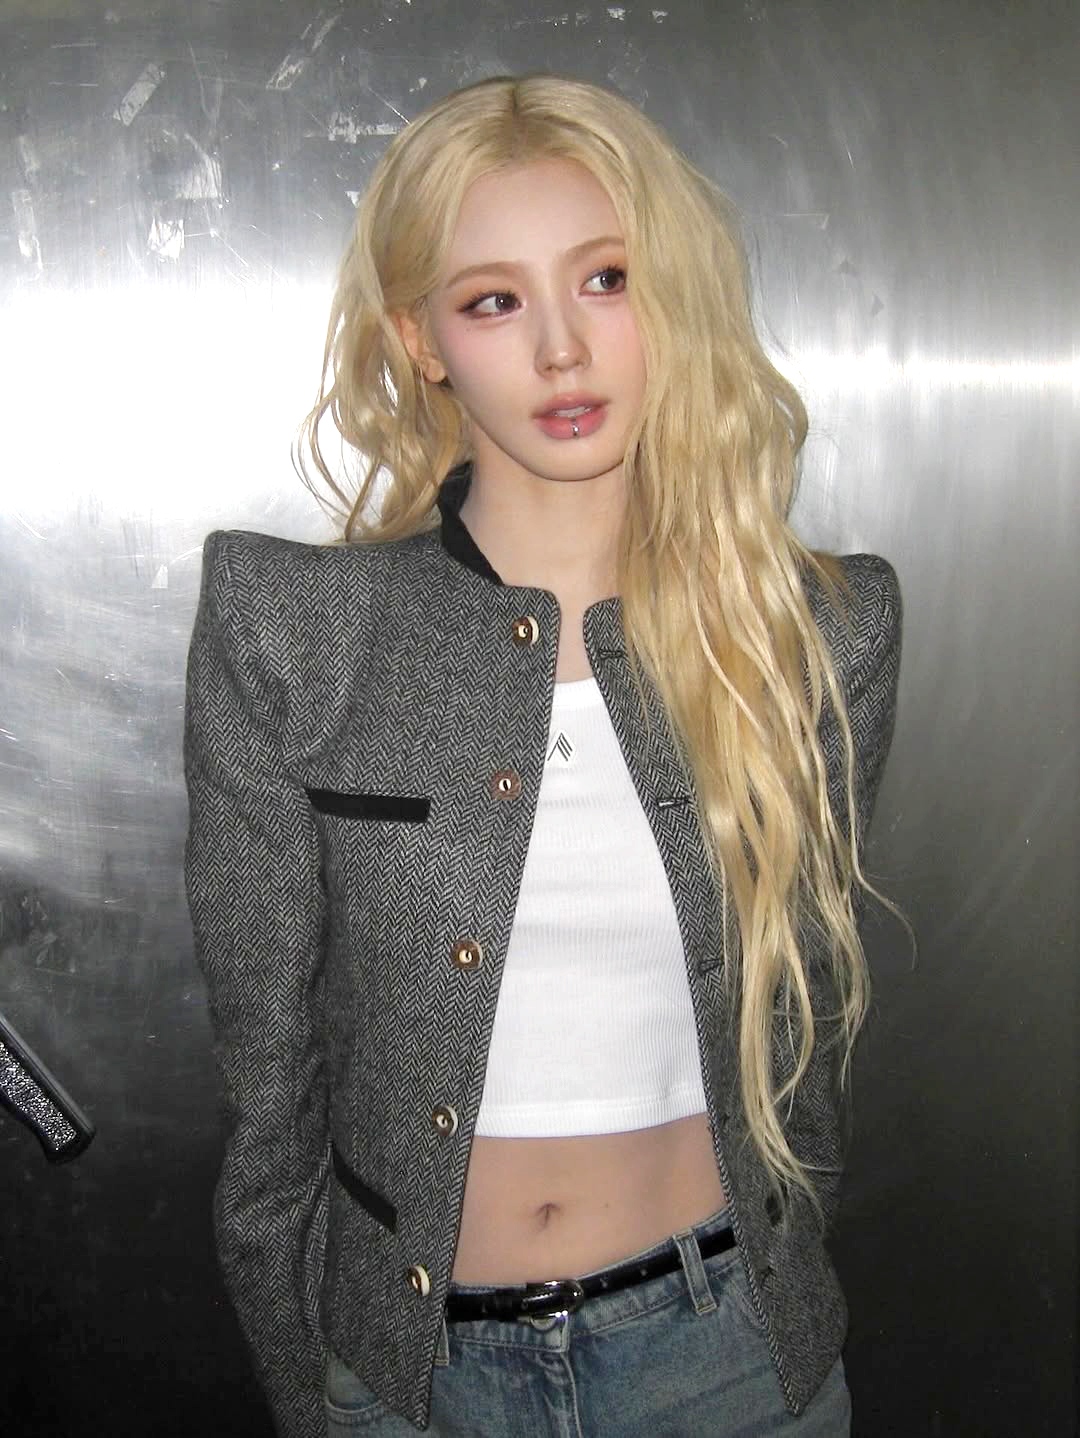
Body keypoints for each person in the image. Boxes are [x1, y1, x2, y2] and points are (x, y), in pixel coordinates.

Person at [184, 73, 902, 1438]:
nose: (564, 350)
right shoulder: (295, 632)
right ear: (423, 340)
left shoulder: (813, 634)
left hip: (729, 1362)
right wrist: (307, 1389)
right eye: (495, 300)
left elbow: (804, 1049)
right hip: (413, 1377)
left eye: (607, 279)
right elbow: (269, 1087)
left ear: (669, 298)